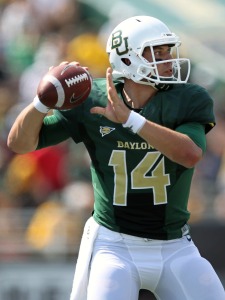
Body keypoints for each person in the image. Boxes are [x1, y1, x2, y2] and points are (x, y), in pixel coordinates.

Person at [7, 15, 225, 300]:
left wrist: (131, 120)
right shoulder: (92, 99)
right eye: (157, 52)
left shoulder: (188, 97)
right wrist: (41, 102)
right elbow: (20, 144)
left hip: (174, 244)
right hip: (114, 244)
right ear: (127, 59)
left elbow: (190, 154)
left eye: (168, 50)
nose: (168, 59)